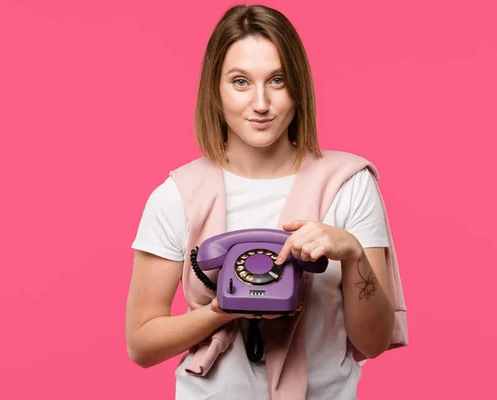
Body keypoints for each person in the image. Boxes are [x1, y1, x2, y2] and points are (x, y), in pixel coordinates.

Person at [126, 4, 406, 399]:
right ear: (215, 90)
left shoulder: (350, 184)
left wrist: (353, 255)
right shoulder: (177, 195)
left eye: (277, 80)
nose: (261, 103)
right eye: (240, 82)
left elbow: (374, 343)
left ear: (298, 87)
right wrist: (221, 310)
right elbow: (141, 343)